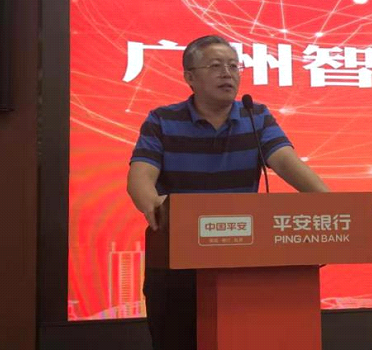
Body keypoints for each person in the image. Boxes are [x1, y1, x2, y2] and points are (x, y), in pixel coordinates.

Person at [127, 35, 329, 350]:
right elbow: (140, 178)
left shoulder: (256, 117)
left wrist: (330, 206)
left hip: (240, 263)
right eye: (216, 66)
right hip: (176, 263)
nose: (228, 73)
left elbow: (287, 163)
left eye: (234, 66)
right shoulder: (162, 120)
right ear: (190, 77)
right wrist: (153, 205)